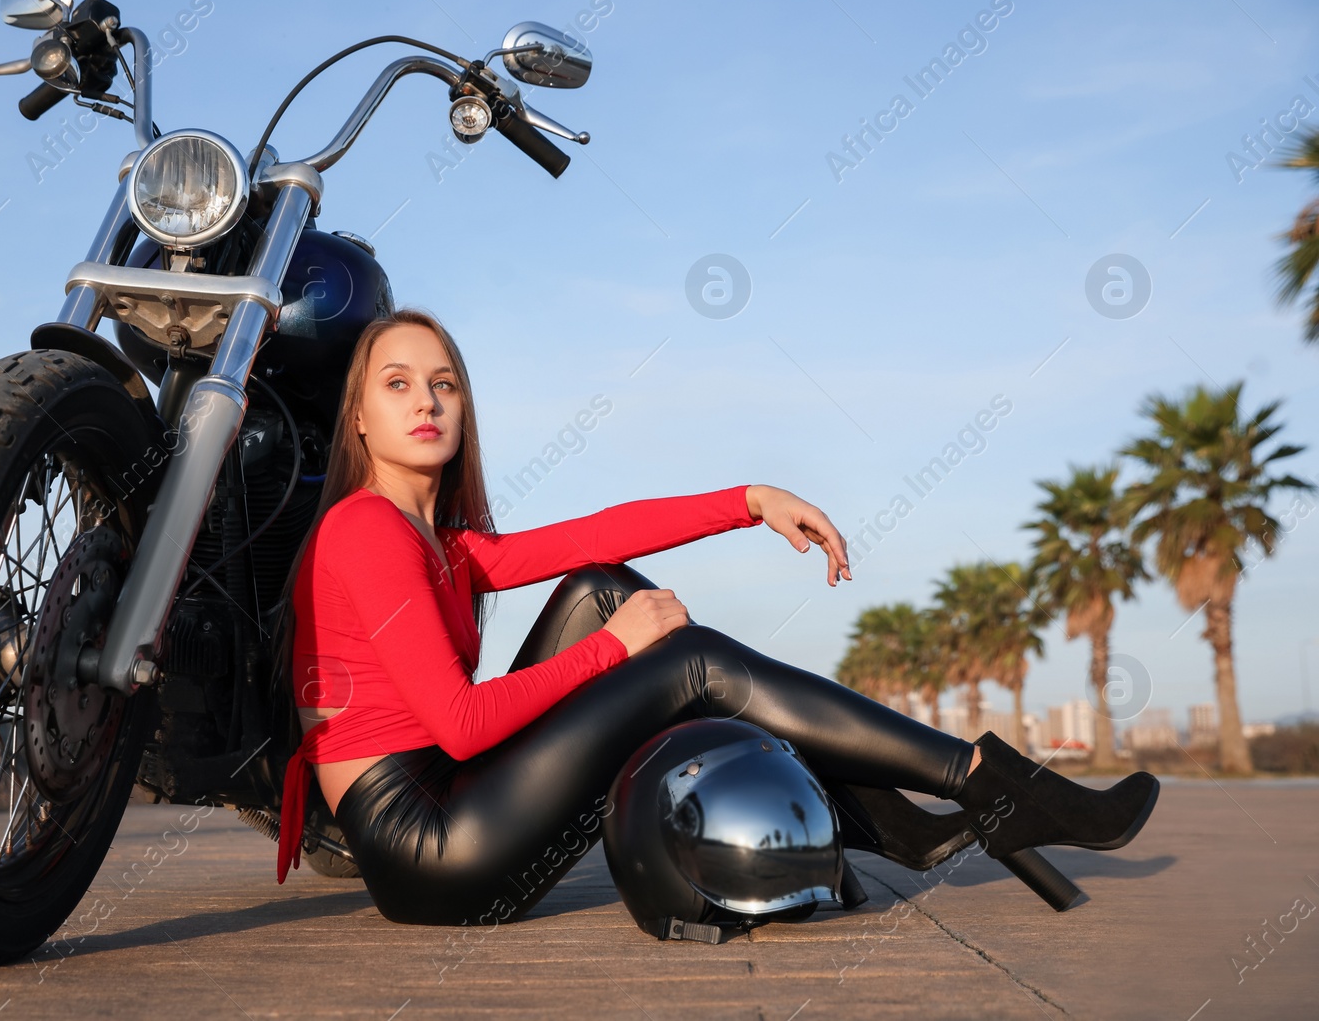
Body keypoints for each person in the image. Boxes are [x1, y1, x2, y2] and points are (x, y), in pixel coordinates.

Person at [270, 308, 1158, 926]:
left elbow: (598, 533)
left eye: (444, 384)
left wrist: (748, 498)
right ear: (358, 412)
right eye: (397, 383)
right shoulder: (365, 530)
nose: (426, 401)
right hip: (429, 852)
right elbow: (461, 729)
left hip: (452, 814)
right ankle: (986, 782)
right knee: (683, 660)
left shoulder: (444, 541)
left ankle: (903, 820)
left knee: (603, 584)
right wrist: (619, 650)